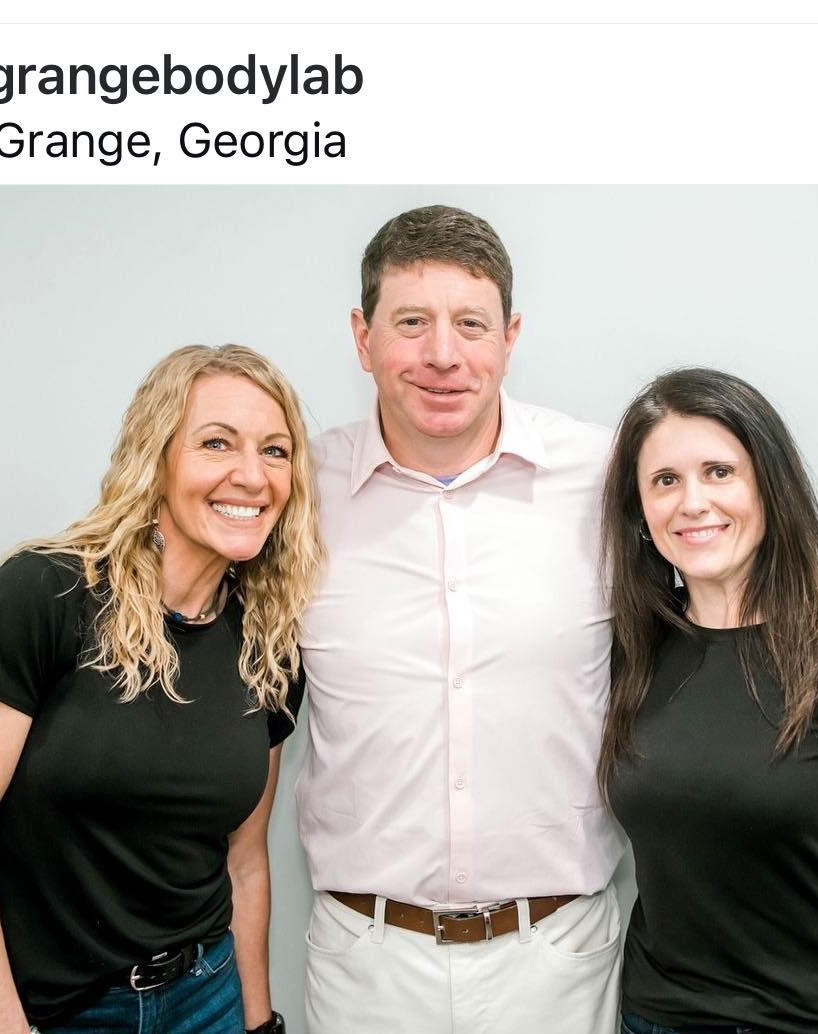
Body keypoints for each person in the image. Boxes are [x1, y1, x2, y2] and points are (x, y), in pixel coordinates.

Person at [0, 344, 322, 1034]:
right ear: (155, 458)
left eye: (276, 452)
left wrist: (255, 1024)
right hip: (51, 1014)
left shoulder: (268, 643)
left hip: (205, 999)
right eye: (217, 443)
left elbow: (243, 861)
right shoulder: (45, 595)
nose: (252, 475)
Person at [297, 205, 625, 1034]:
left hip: (560, 957)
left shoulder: (611, 476)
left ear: (509, 337)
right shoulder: (292, 490)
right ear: (362, 337)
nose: (443, 355)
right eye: (411, 322)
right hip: (365, 962)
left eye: (470, 324)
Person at [600, 367, 818, 1034]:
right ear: (641, 514)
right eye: (665, 481)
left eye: (718, 471)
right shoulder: (631, 652)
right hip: (659, 1021)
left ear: (769, 484)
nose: (692, 503)